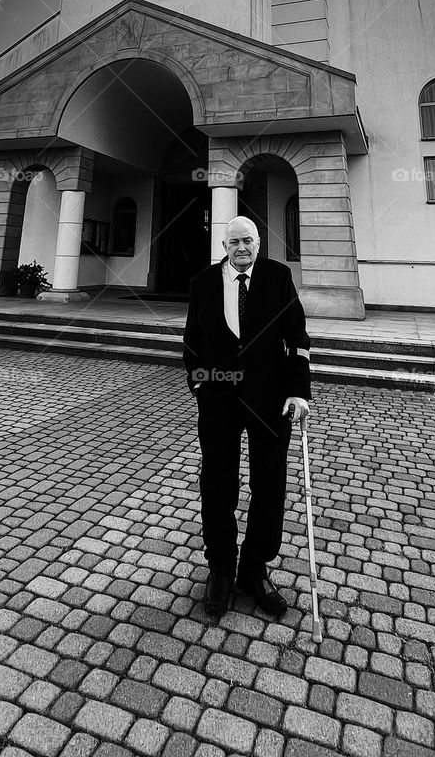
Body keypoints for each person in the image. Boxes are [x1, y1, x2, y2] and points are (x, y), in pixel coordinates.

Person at [183, 215, 311, 620]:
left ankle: (254, 570)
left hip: (270, 399)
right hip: (219, 400)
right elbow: (192, 342)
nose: (242, 247)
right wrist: (200, 386)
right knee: (218, 481)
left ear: (259, 244)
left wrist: (298, 390)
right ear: (225, 245)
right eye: (234, 241)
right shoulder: (203, 282)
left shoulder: (278, 277)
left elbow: (297, 337)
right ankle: (221, 567)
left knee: (269, 482)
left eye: (249, 241)